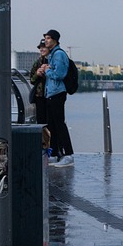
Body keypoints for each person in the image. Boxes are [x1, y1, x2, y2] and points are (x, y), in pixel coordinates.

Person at [37, 29, 75, 167]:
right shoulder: (52, 55)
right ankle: (53, 155)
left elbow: (60, 75)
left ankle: (68, 154)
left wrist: (47, 70)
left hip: (57, 93)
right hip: (51, 93)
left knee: (59, 124)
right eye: (45, 38)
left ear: (55, 40)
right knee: (52, 125)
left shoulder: (58, 54)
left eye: (48, 38)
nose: (45, 41)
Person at [30, 38, 49, 124]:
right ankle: (43, 137)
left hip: (51, 95)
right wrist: (37, 74)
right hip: (39, 96)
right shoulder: (37, 62)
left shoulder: (53, 61)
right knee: (41, 120)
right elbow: (32, 80)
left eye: (44, 47)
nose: (41, 49)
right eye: (40, 48)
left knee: (51, 120)